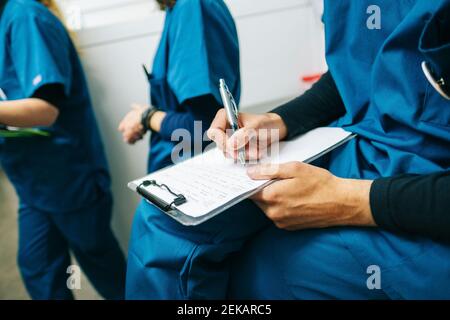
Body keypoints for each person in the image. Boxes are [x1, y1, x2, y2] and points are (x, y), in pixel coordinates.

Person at [207, 0, 450, 299]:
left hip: (426, 196)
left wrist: (351, 201)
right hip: (366, 152)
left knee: (266, 270)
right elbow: (358, 67)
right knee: (168, 222)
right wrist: (280, 120)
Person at [120, 0, 252, 300]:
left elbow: (203, 126)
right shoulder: (177, 10)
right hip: (173, 175)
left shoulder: (195, 7)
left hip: (193, 189)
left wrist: (147, 117)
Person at [0, 0, 126, 300]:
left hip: (68, 180)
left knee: (105, 270)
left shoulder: (24, 16)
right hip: (33, 183)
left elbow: (45, 109)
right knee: (39, 269)